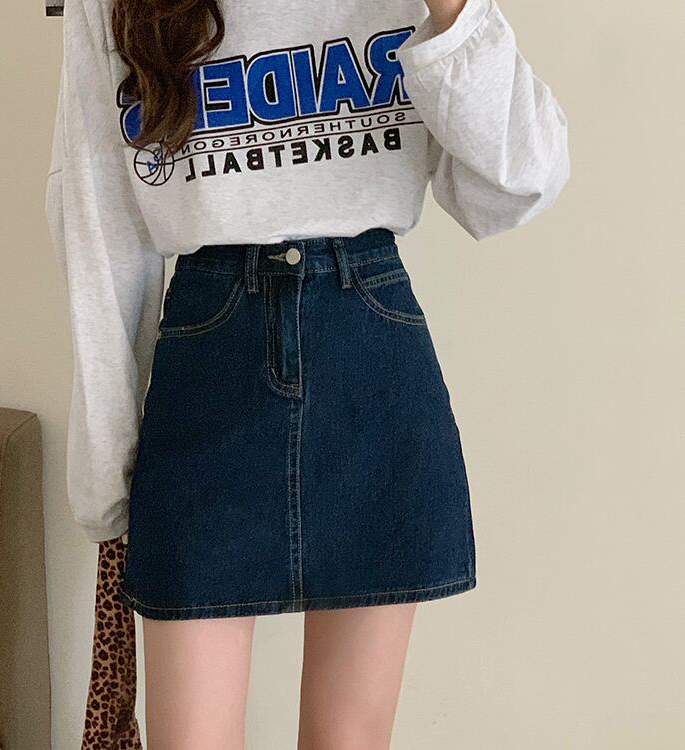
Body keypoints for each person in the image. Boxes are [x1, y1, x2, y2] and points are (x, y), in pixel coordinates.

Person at [45, 0, 570, 746]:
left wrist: (453, 12)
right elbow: (99, 224)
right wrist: (107, 484)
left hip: (370, 346)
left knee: (349, 739)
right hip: (207, 358)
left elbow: (520, 182)